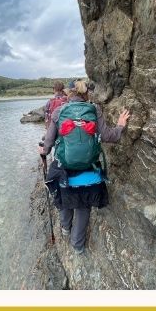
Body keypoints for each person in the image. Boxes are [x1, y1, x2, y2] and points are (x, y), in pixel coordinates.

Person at [40, 80, 131, 255]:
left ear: (69, 94)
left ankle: (65, 228)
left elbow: (49, 142)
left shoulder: (59, 111)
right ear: (86, 93)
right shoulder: (94, 109)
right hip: (88, 169)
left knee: (65, 198)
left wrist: (43, 149)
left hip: (64, 168)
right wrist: (120, 125)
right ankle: (78, 246)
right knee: (83, 206)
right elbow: (109, 136)